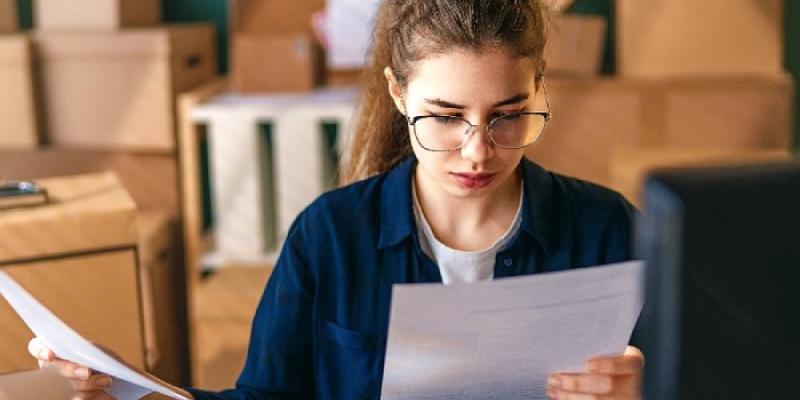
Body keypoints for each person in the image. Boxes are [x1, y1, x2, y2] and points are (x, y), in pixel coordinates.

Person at [28, 0, 645, 398]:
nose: (477, 150)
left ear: (539, 84)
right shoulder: (329, 236)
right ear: (399, 94)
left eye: (508, 116)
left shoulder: (609, 230)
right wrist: (126, 388)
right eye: (445, 117)